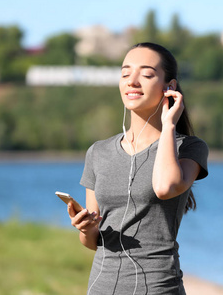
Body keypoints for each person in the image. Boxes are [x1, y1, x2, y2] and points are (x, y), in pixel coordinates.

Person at [67, 42, 209, 295]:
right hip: (101, 288)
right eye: (125, 73)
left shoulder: (189, 149)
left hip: (158, 288)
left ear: (170, 87)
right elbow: (92, 242)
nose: (132, 81)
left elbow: (165, 187)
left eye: (146, 74)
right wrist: (87, 229)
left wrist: (168, 126)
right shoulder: (98, 153)